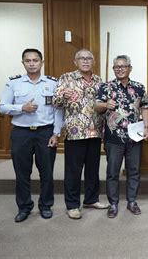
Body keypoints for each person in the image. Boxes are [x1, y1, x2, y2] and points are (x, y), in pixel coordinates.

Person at [0, 48, 63, 222]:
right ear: (23, 63)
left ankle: (46, 205)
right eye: (28, 61)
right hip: (21, 133)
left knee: (47, 172)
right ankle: (24, 207)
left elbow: (58, 111)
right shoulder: (14, 83)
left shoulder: (53, 83)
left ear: (42, 62)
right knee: (22, 173)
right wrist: (21, 108)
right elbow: (2, 107)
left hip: (45, 133)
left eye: (35, 60)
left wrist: (56, 133)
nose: (32, 63)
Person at [53, 49, 108, 219]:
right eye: (82, 58)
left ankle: (91, 199)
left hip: (95, 131)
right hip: (75, 132)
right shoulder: (66, 78)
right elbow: (55, 102)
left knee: (93, 169)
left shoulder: (99, 80)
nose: (85, 61)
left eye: (89, 58)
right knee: (73, 171)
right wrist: (64, 95)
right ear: (75, 61)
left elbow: (103, 105)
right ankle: (72, 205)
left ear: (93, 61)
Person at [94, 55, 148, 218]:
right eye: (116, 67)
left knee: (134, 170)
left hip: (135, 136)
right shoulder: (106, 87)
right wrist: (105, 105)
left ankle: (132, 201)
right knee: (113, 172)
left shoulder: (139, 87)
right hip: (113, 138)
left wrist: (146, 127)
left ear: (129, 68)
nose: (120, 69)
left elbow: (144, 108)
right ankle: (113, 204)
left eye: (123, 66)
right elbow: (96, 107)